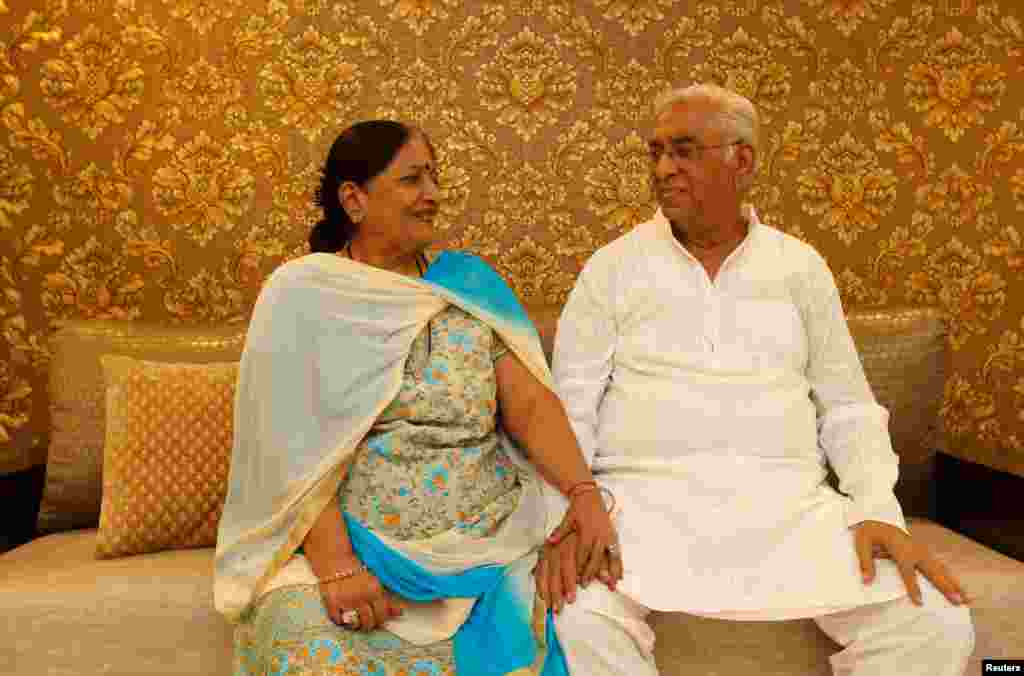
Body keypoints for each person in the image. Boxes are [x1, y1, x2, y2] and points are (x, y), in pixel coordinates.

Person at [538, 84, 975, 676]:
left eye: (685, 150)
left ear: (741, 161)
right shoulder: (612, 268)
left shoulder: (799, 266)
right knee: (577, 618)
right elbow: (572, 410)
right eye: (657, 152)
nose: (664, 168)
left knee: (937, 622)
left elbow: (848, 406)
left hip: (788, 509)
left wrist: (876, 507)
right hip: (644, 508)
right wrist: (571, 510)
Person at [214, 120, 621, 676]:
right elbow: (286, 447)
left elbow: (528, 406)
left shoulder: (469, 285)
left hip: (492, 541)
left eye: (434, 176)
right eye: (411, 179)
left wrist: (583, 492)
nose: (432, 194)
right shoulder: (304, 294)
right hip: (358, 548)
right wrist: (336, 567)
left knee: (580, 621)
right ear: (354, 199)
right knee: (301, 643)